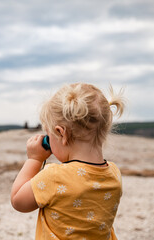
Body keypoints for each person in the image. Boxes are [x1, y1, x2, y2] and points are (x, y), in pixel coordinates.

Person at [11, 83, 125, 239]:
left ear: (61, 133)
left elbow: (18, 201)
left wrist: (34, 159)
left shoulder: (55, 177)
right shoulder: (114, 173)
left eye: (49, 136)